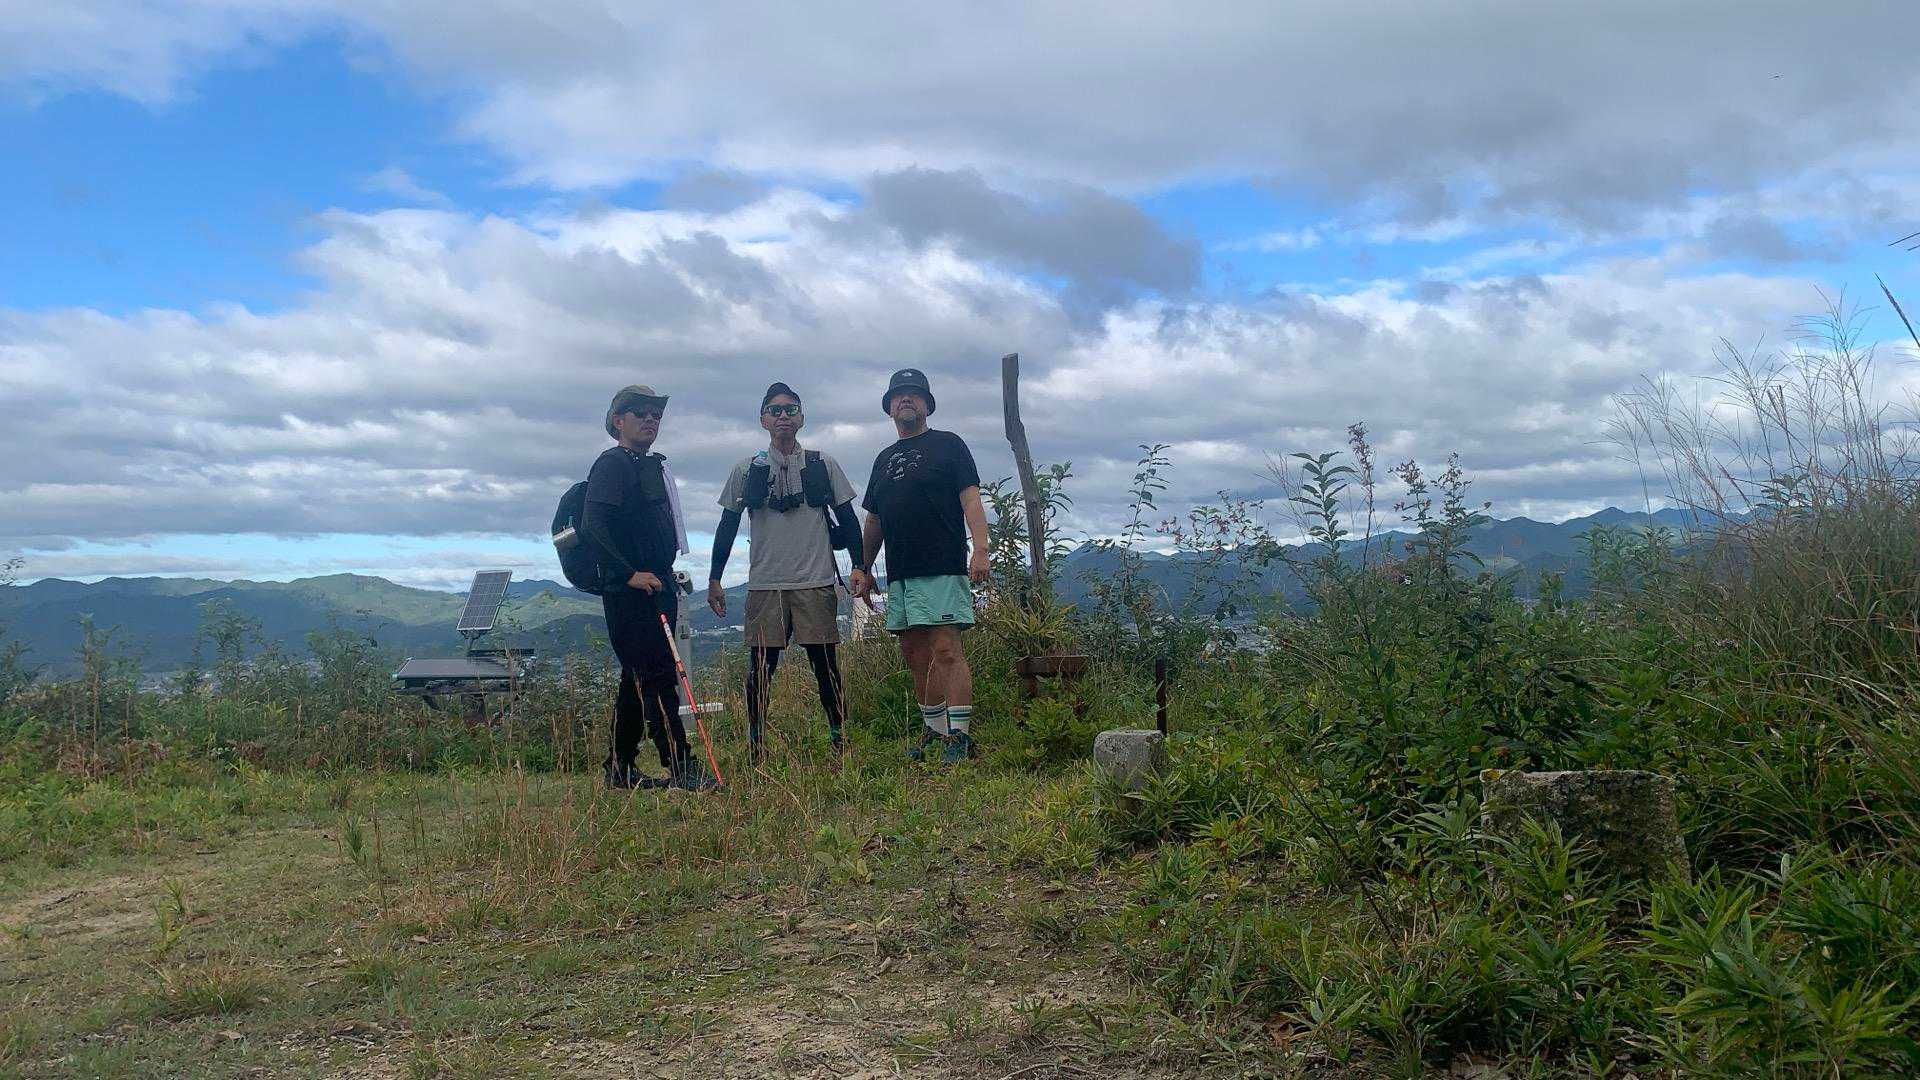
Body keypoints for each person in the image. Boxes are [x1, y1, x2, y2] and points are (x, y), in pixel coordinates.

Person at [708, 383, 864, 760]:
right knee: (761, 669)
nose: (783, 416)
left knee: (825, 666)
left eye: (790, 410)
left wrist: (860, 565)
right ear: (763, 419)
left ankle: (839, 738)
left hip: (815, 580)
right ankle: (757, 744)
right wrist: (714, 578)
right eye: (774, 410)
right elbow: (727, 525)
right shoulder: (746, 470)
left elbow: (847, 517)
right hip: (766, 583)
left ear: (801, 418)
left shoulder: (822, 464)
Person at [849, 368, 990, 763]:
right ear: (889, 408)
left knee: (946, 648)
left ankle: (960, 737)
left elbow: (970, 499)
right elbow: (874, 520)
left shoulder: (949, 445)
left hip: (942, 565)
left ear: (927, 404)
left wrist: (981, 549)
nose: (906, 400)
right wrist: (863, 567)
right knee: (914, 653)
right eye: (898, 395)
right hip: (900, 574)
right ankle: (935, 730)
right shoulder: (883, 459)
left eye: (914, 394)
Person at [581, 384, 715, 791]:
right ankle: (681, 766)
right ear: (618, 420)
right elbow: (593, 525)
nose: (651, 419)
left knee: (637, 677)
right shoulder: (613, 464)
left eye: (656, 414)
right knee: (656, 676)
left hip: (655, 583)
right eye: (640, 413)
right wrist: (628, 574)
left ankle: (619, 767)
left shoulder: (647, 465)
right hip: (631, 591)